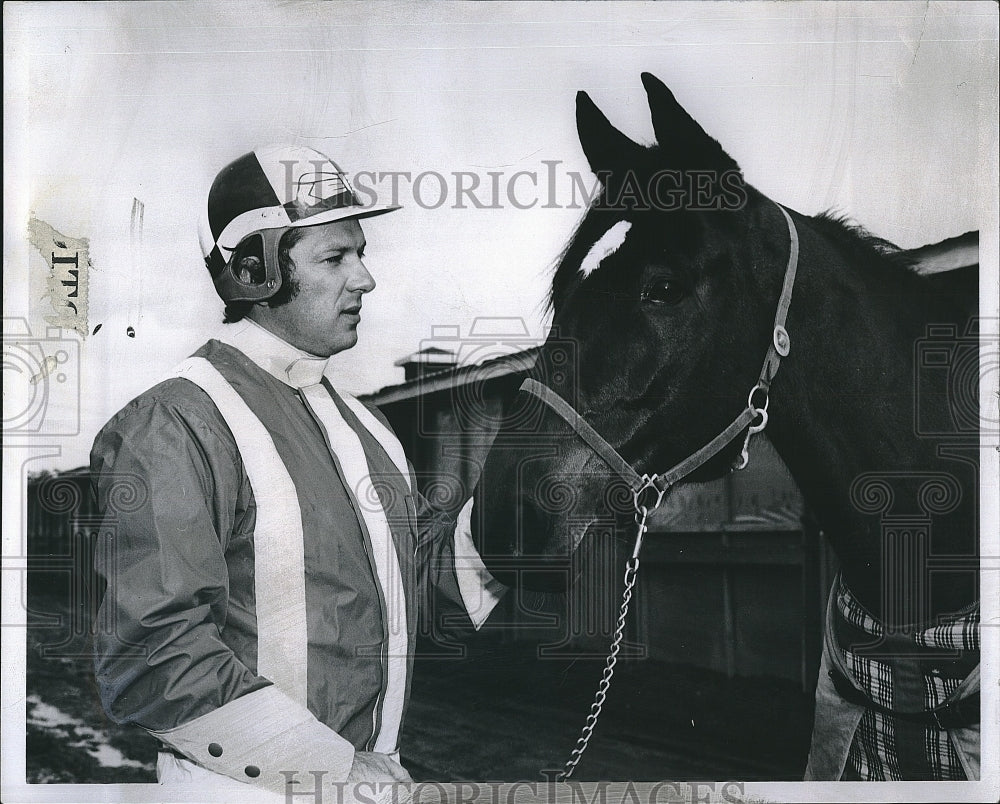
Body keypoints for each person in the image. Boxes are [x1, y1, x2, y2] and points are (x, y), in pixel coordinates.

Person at [90, 146, 505, 799]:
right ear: (254, 272)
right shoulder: (175, 421)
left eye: (361, 253)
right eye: (336, 258)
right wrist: (334, 769)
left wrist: (514, 519)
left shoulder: (370, 431)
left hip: (370, 784)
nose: (365, 279)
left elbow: (418, 592)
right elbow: (152, 653)